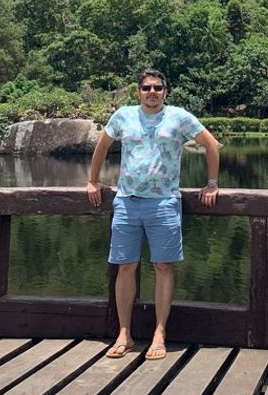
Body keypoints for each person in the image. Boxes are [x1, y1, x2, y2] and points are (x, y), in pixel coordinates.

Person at [86, 68, 220, 360]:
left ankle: (160, 333)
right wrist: (92, 181)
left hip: (164, 203)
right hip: (127, 201)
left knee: (162, 267)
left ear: (165, 92)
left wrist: (211, 184)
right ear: (138, 91)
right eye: (146, 87)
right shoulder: (123, 116)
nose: (151, 92)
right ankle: (124, 332)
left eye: (157, 87)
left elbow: (211, 145)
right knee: (125, 266)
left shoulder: (179, 117)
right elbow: (102, 147)